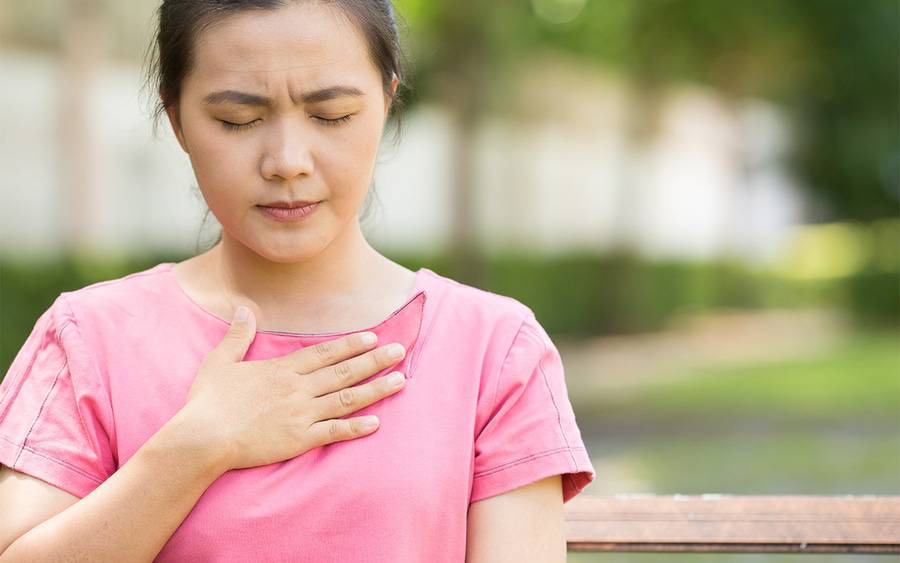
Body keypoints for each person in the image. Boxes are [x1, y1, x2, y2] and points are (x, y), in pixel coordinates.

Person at [0, 1, 595, 561]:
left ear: (388, 102)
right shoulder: (90, 339)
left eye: (330, 114)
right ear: (177, 119)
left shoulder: (493, 348)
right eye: (238, 119)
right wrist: (196, 446)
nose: (287, 160)